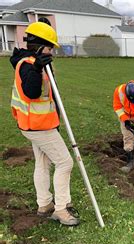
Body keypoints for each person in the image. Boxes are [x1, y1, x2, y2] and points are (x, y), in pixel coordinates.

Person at [10, 21, 79, 226]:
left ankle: (44, 204)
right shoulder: (29, 65)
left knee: (43, 162)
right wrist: (39, 67)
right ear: (40, 46)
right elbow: (32, 92)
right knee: (65, 162)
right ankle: (61, 209)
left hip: (37, 124)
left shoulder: (30, 62)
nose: (52, 53)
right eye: (50, 48)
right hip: (38, 126)